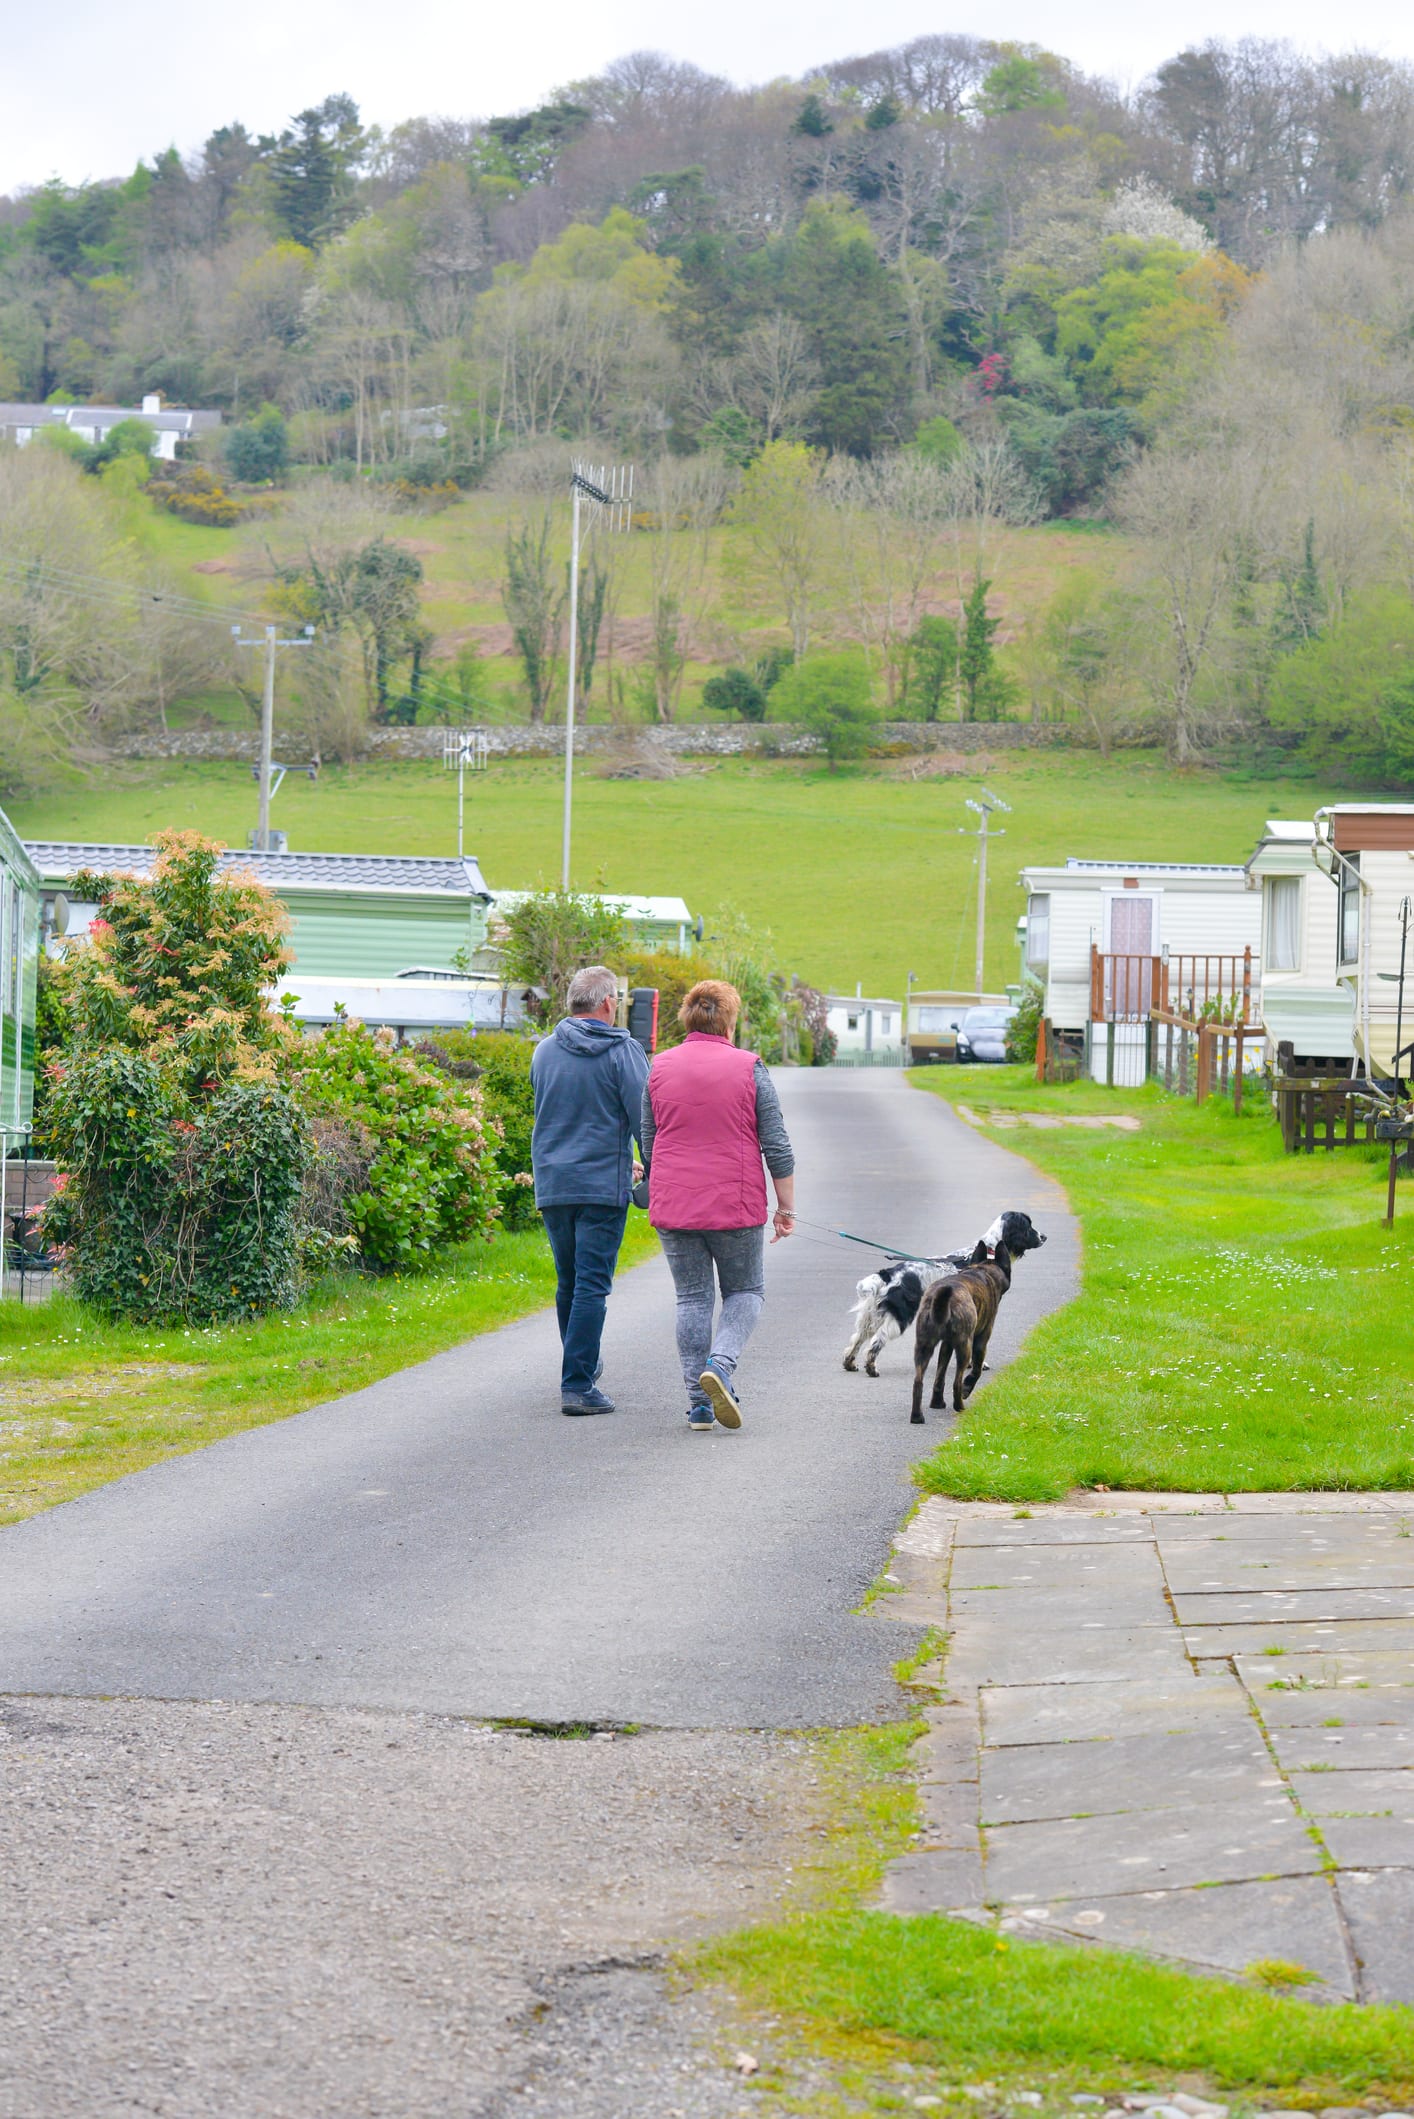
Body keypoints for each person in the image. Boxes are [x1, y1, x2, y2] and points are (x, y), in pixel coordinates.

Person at [640, 978, 795, 1433]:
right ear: (730, 1020)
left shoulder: (659, 1067)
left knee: (691, 1298)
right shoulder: (750, 1067)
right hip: (735, 1202)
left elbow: (650, 1142)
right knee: (745, 1291)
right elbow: (777, 1144)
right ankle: (721, 1367)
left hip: (675, 1203)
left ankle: (699, 1405)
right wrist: (786, 1207)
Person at [530, 965, 649, 1416]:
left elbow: (566, 1115)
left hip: (554, 1182)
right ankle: (578, 1384)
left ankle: (580, 1364)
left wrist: (623, 1158)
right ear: (607, 1003)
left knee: (570, 1282)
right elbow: (645, 1120)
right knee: (592, 1286)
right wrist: (655, 1171)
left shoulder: (544, 1052)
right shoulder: (623, 1051)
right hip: (599, 1186)